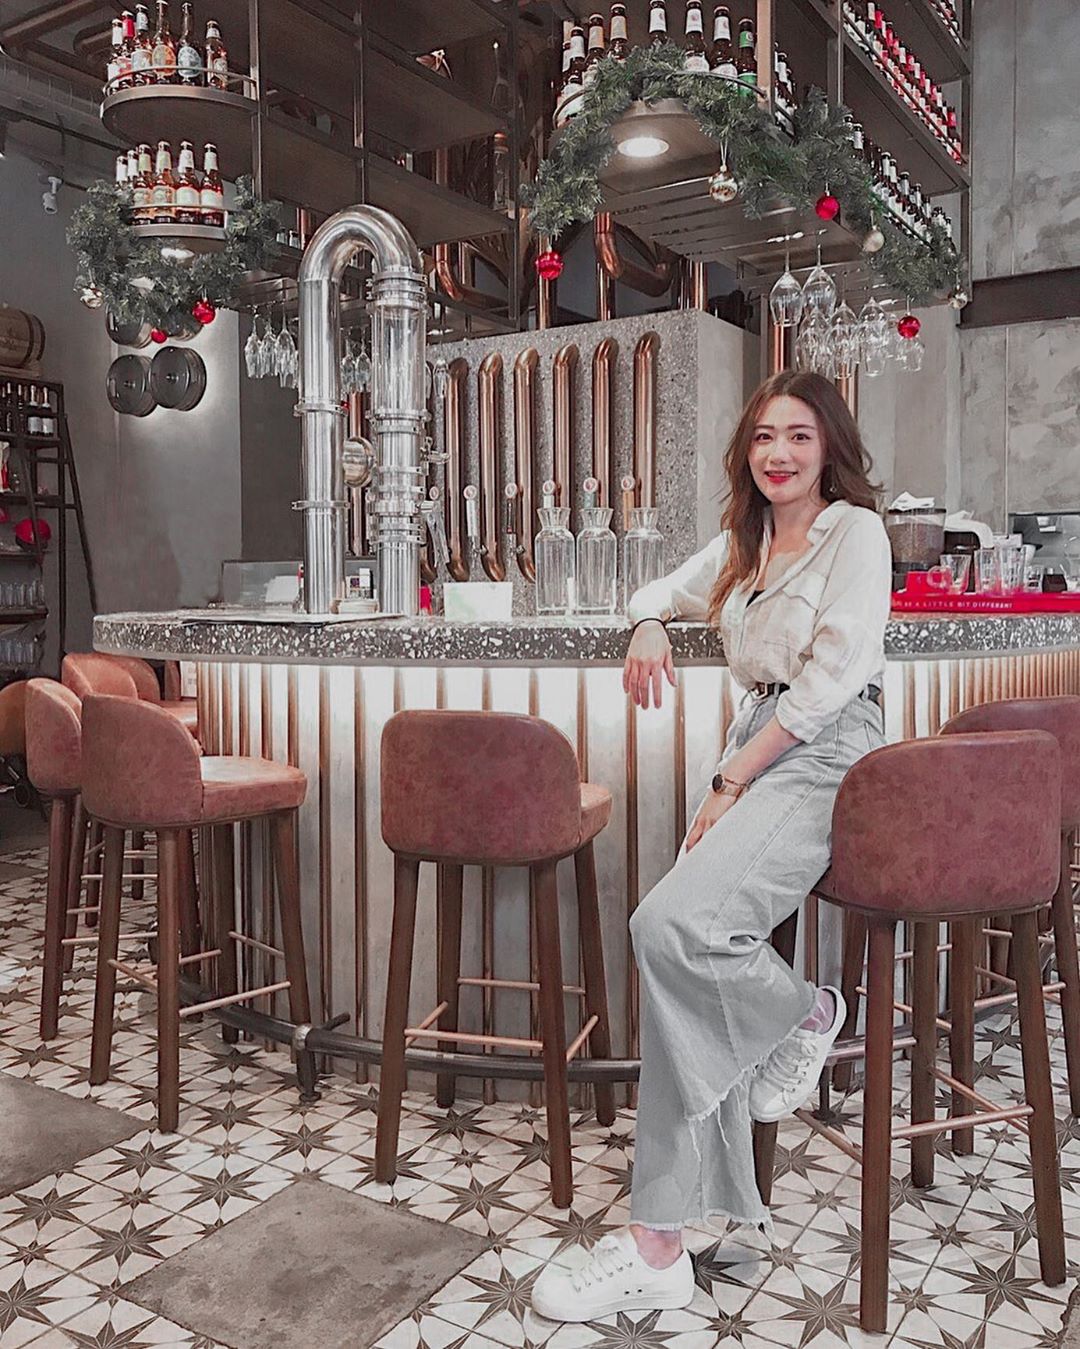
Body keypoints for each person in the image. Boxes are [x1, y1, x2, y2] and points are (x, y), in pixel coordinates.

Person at [532, 370, 892, 1323]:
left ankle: (806, 1014)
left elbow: (828, 684)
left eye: (800, 435)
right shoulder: (744, 538)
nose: (780, 452)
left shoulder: (855, 534)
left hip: (825, 748)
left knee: (670, 929)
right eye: (765, 435)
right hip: (754, 743)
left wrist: (732, 781)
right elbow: (656, 588)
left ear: (830, 446)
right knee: (680, 967)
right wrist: (652, 621)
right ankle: (670, 1237)